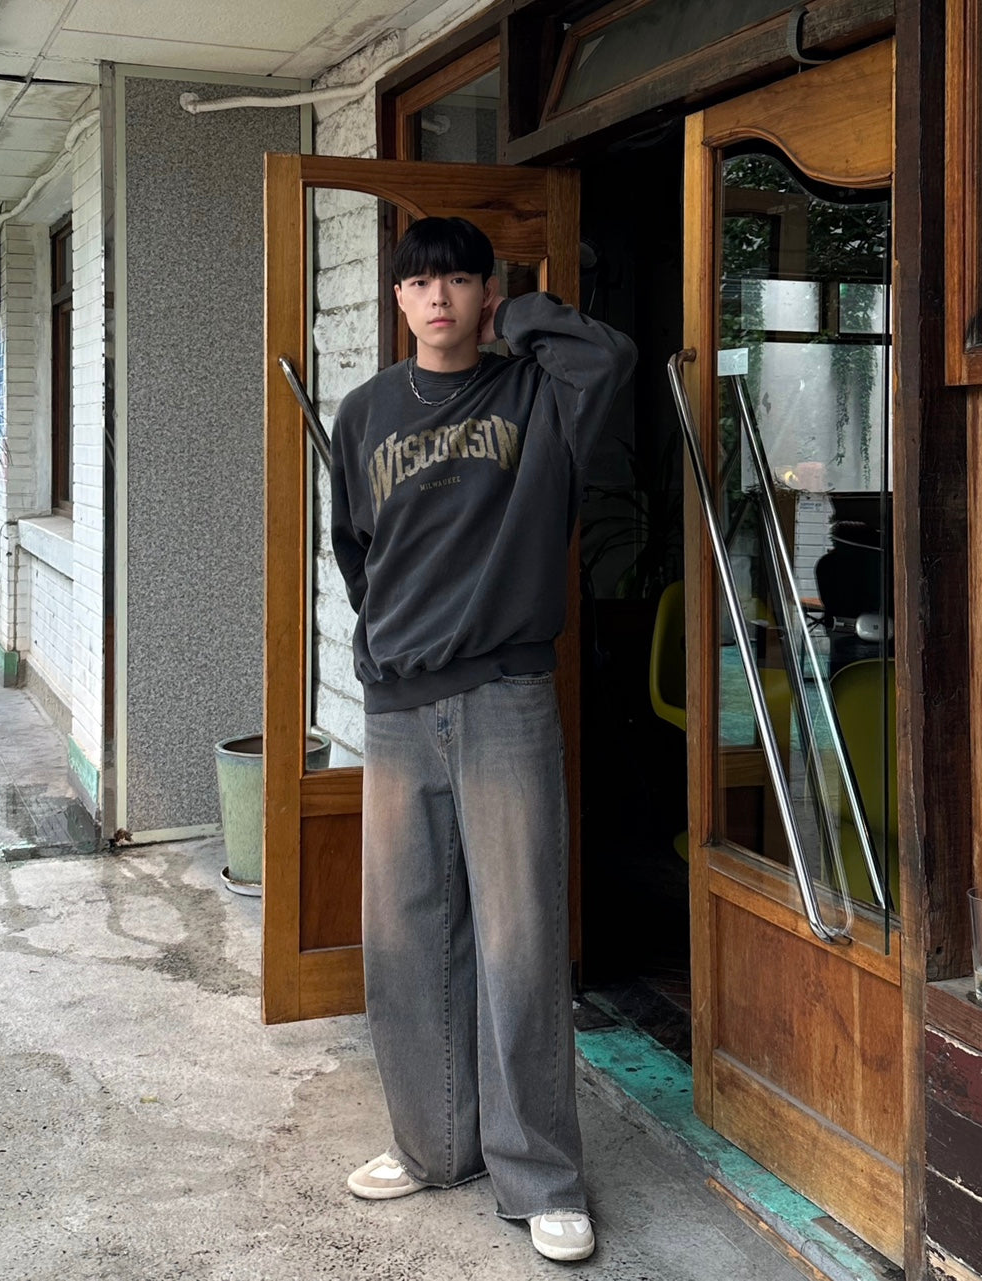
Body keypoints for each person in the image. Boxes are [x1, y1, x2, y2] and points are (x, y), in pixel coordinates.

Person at [330, 215, 636, 1264]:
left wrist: (525, 313)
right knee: (407, 936)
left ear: (484, 294)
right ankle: (432, 1147)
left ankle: (539, 1176)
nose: (438, 298)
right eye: (420, 282)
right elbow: (355, 549)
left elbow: (609, 360)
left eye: (459, 281)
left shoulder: (536, 395)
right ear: (397, 299)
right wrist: (393, 641)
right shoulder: (364, 412)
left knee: (518, 938)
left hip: (505, 695)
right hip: (398, 705)